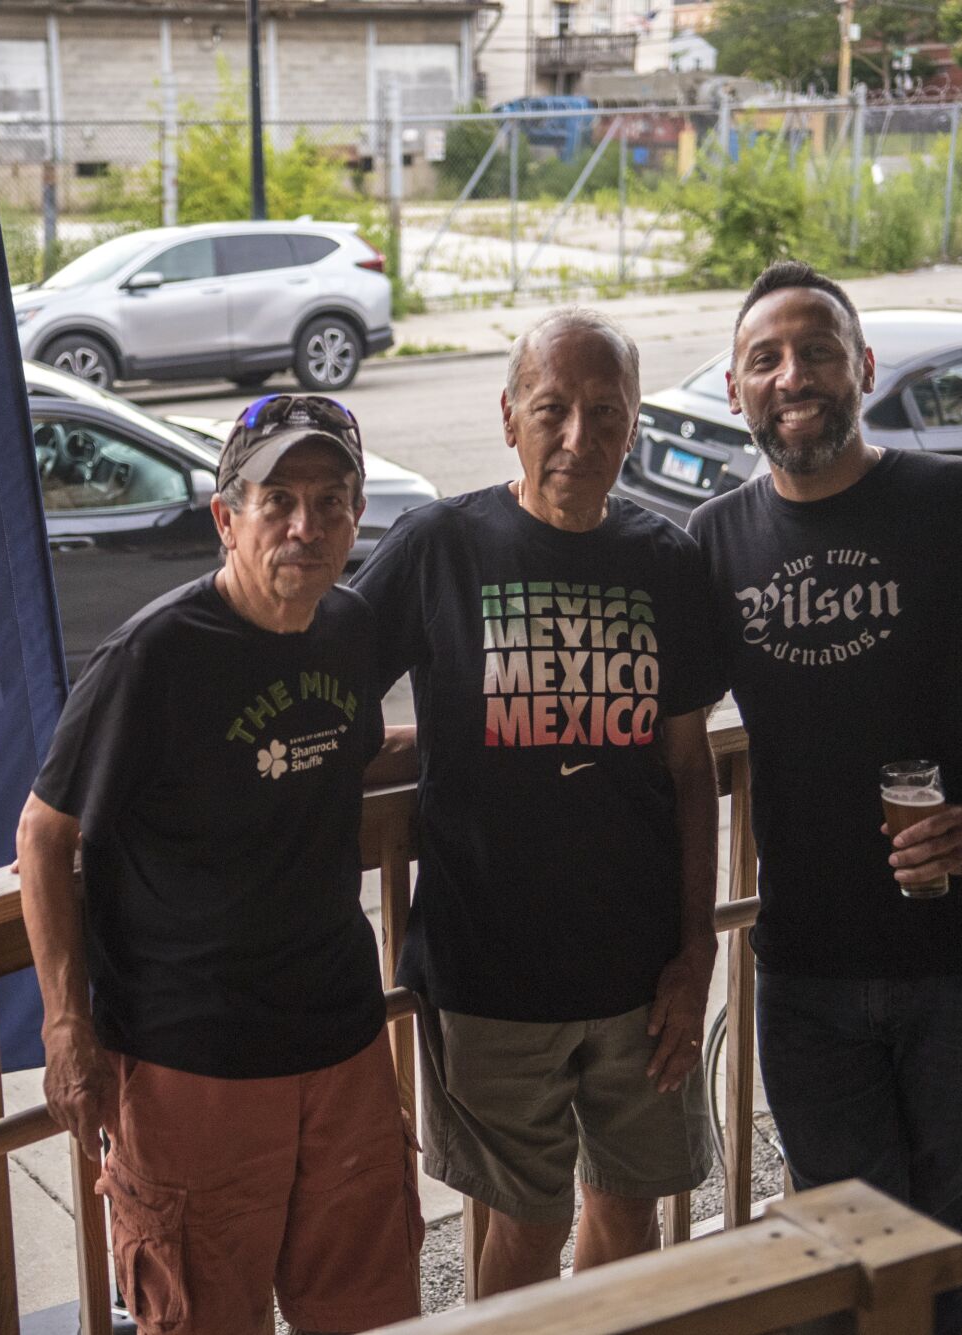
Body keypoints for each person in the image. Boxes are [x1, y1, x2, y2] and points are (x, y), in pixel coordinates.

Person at [687, 260, 962, 1335]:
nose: (792, 374)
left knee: (938, 1230)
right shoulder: (714, 543)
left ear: (862, 369)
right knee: (840, 1243)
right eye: (763, 358)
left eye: (817, 349)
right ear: (736, 391)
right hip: (810, 965)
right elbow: (667, 740)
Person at [15, 395, 422, 1335]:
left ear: (358, 517)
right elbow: (43, 834)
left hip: (342, 1043)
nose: (304, 524)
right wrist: (67, 1026)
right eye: (278, 498)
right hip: (190, 1062)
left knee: (371, 1309)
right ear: (225, 516)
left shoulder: (349, 629)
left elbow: (350, 748)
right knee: (202, 1316)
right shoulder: (154, 656)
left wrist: (479, 747)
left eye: (331, 500)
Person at [351, 309, 722, 1296]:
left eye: (604, 413)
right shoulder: (441, 544)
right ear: (507, 416)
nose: (576, 439)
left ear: (633, 425)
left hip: (639, 972)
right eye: (551, 410)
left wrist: (697, 949)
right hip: (488, 974)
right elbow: (323, 677)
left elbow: (689, 769)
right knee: (520, 1223)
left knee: (627, 1207)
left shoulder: (667, 560)